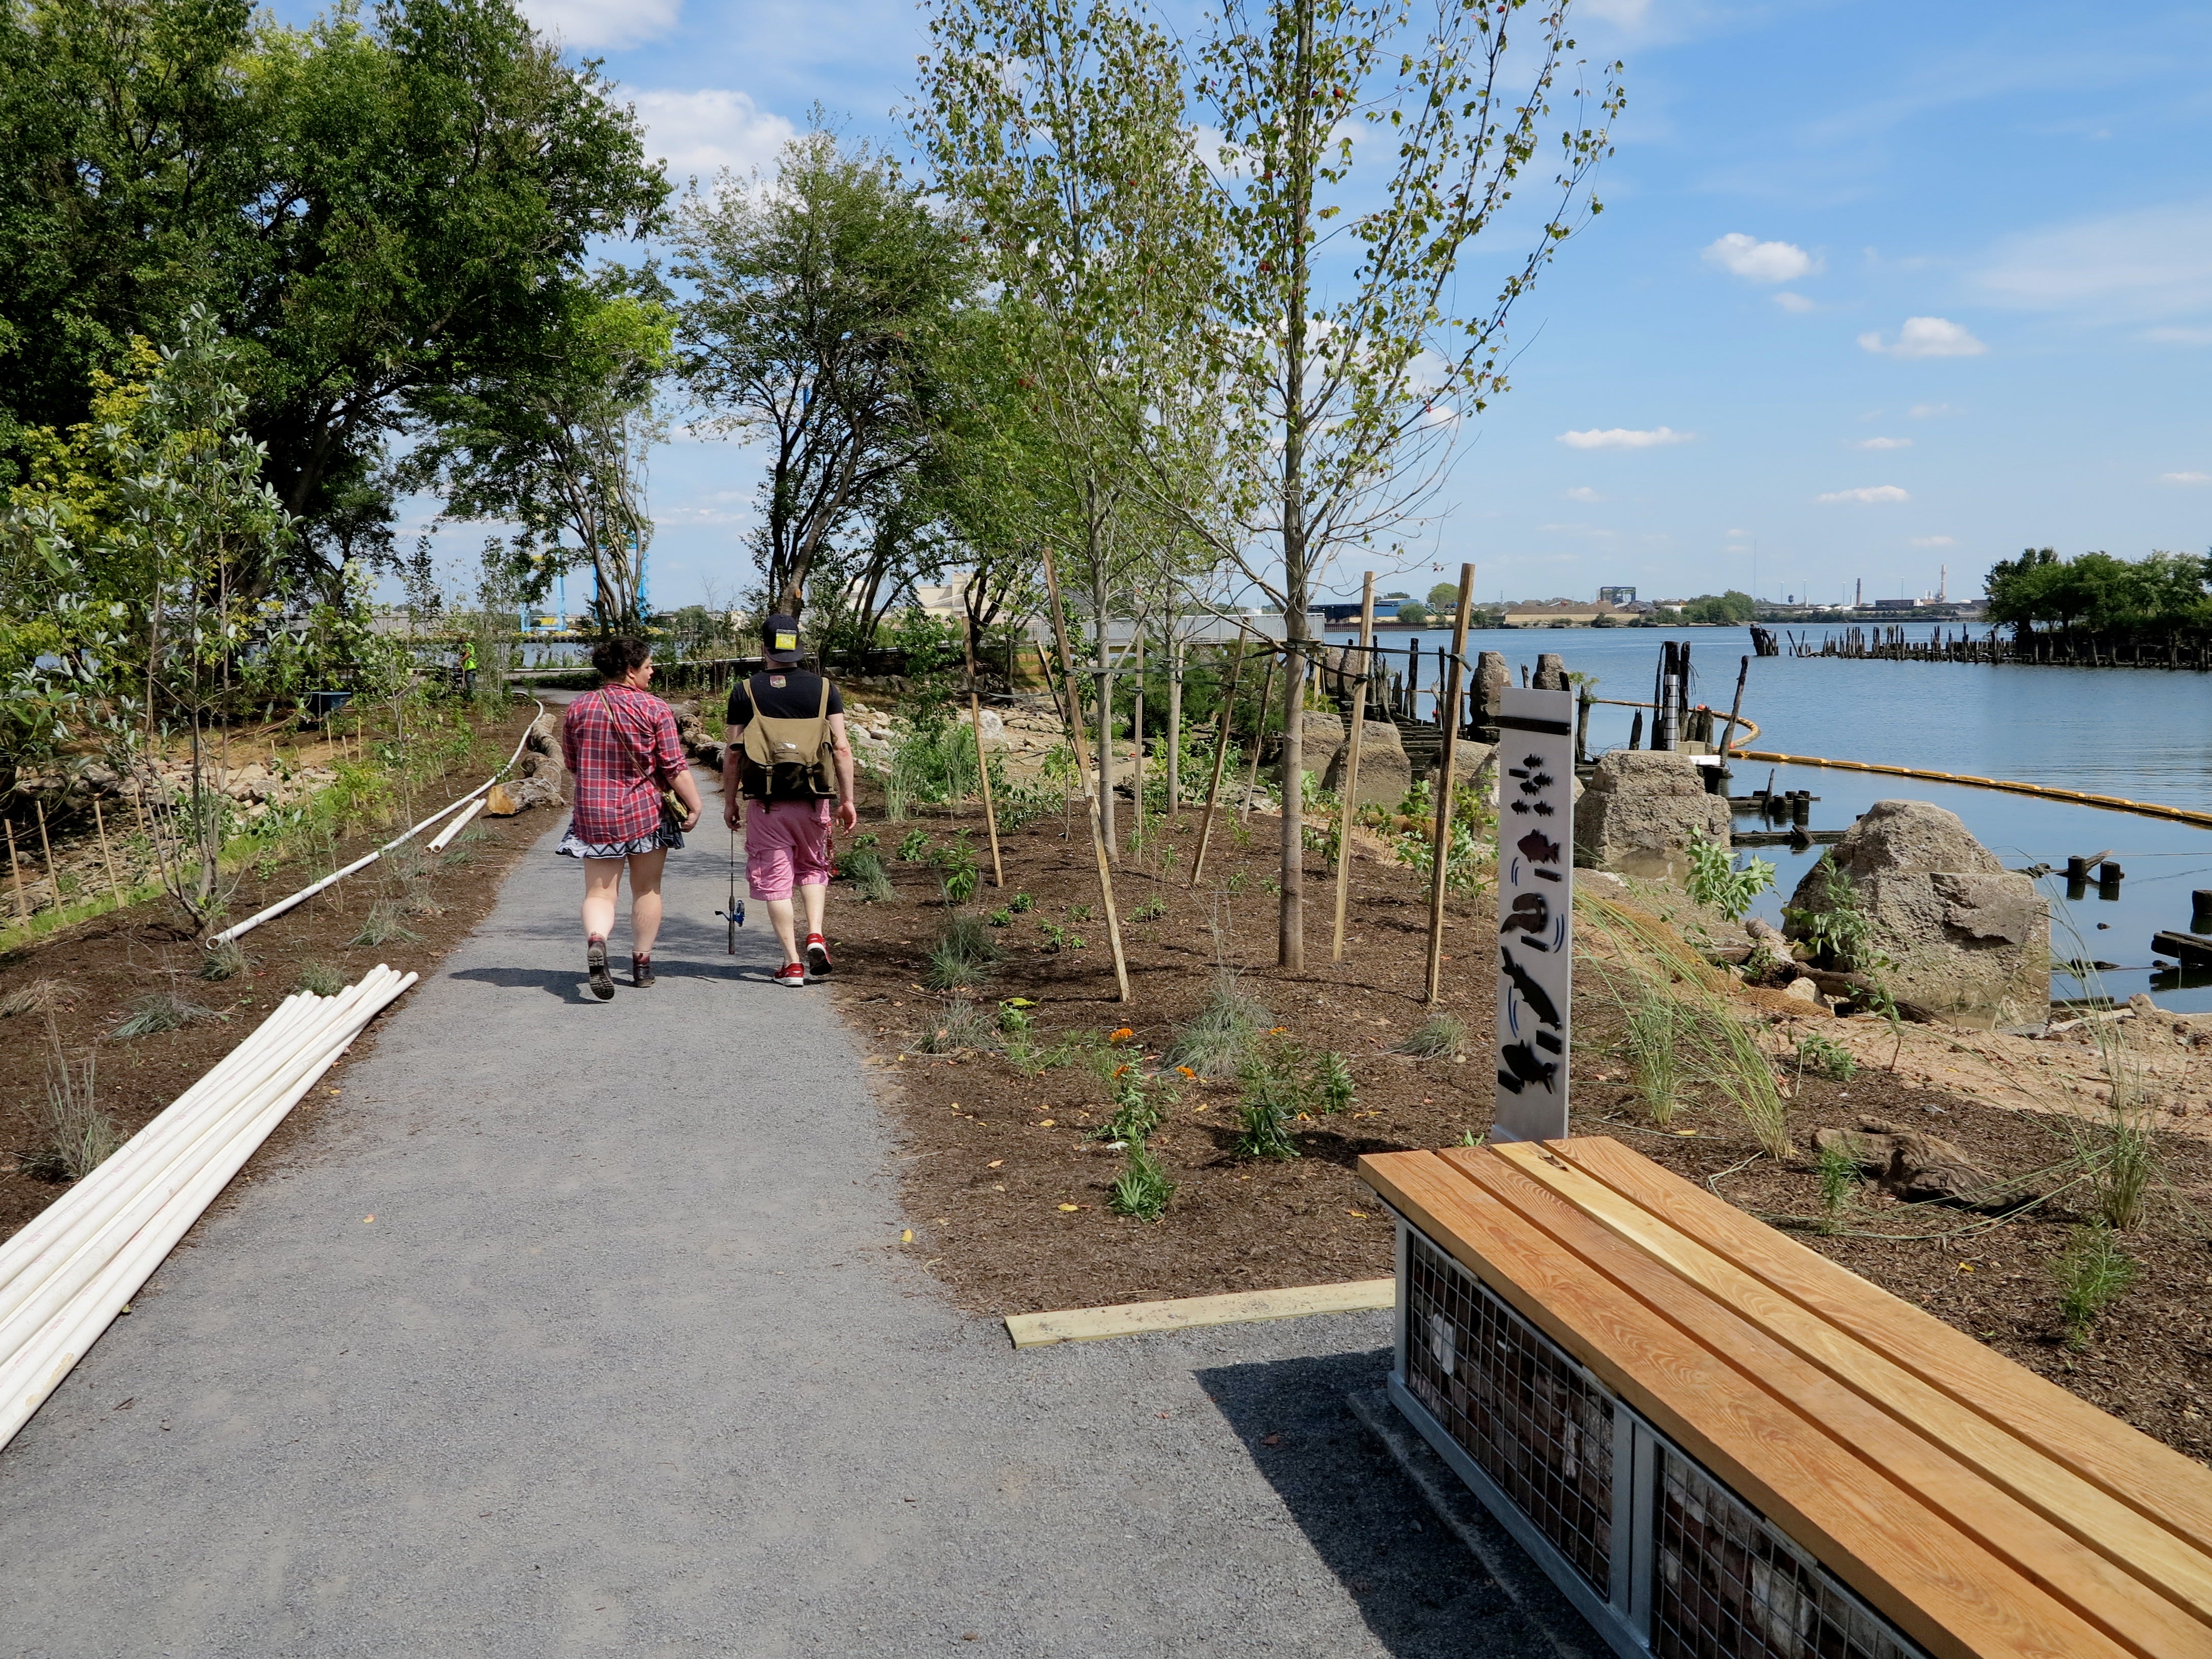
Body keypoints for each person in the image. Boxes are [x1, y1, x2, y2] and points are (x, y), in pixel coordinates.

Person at [558, 637, 703, 999]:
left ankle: (597, 940)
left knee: (600, 892)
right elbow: (673, 766)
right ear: (629, 670)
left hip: (594, 813)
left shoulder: (578, 708)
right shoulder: (655, 709)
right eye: (648, 665)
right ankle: (641, 965)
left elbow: (572, 764)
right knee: (647, 888)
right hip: (644, 812)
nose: (653, 671)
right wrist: (695, 804)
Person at [723, 614, 857, 987]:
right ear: (798, 646)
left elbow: (733, 753)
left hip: (767, 803)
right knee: (813, 868)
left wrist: (730, 802)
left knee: (776, 880)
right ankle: (815, 934)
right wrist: (846, 800)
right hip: (815, 800)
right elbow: (842, 749)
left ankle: (792, 964)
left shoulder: (745, 691)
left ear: (763, 648)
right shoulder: (825, 689)